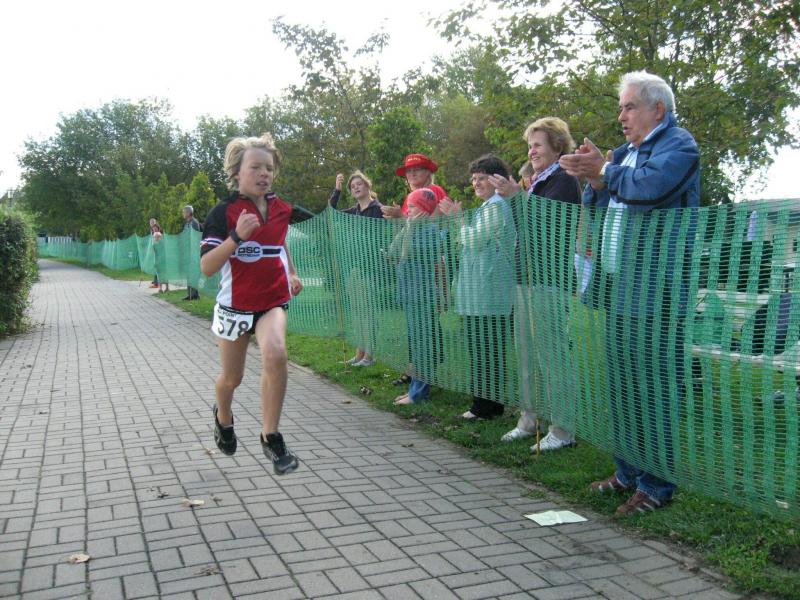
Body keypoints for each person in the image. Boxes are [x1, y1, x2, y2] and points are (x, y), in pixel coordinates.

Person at [559, 71, 700, 516]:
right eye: (620, 107)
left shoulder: (679, 146)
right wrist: (595, 180)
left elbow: (651, 189)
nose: (621, 116)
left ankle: (656, 486)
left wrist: (605, 172)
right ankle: (627, 472)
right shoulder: (624, 154)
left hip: (658, 291)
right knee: (622, 386)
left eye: (629, 106)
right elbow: (600, 203)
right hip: (620, 286)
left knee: (653, 389)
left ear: (657, 109)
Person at [200, 133, 303, 475]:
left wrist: (291, 271)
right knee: (232, 378)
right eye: (255, 167)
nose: (264, 174)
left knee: (276, 353)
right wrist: (236, 237)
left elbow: (280, 241)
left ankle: (271, 436)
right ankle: (223, 417)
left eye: (269, 168)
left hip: (271, 300)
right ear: (237, 172)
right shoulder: (223, 213)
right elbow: (207, 266)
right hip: (234, 305)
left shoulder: (281, 209)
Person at [491, 117, 582, 451]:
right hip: (526, 278)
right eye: (530, 146)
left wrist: (518, 197)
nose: (532, 151)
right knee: (527, 353)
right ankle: (529, 420)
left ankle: (562, 429)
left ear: (557, 145)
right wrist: (517, 197)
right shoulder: (537, 183)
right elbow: (524, 225)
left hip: (549, 280)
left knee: (552, 356)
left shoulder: (563, 180)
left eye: (538, 145)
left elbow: (548, 223)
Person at [439, 155, 516, 420]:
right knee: (482, 349)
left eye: (482, 178)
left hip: (490, 295)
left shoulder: (496, 208)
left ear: (496, 180)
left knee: (487, 350)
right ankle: (486, 405)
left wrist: (458, 219)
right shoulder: (487, 207)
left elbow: (475, 240)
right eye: (473, 179)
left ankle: (485, 407)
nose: (476, 183)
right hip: (481, 294)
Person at [383, 153, 450, 386]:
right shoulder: (410, 197)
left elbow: (432, 224)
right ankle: (418, 370)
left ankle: (423, 372)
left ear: (428, 172)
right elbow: (409, 228)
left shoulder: (434, 192)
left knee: (425, 323)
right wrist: (400, 219)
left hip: (428, 266)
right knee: (417, 324)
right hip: (412, 269)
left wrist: (401, 218)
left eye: (416, 170)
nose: (411, 174)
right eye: (408, 171)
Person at [390, 188, 447, 405]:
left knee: (423, 346)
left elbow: (404, 255)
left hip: (422, 297)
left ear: (423, 209)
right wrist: (407, 228)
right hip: (410, 295)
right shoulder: (411, 228)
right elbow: (392, 253)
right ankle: (414, 389)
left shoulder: (431, 233)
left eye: (412, 207)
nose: (408, 211)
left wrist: (410, 230)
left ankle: (419, 393)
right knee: (417, 344)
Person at [329, 171, 384, 366]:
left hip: (370, 269)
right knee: (358, 312)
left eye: (359, 184)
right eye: (352, 187)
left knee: (368, 313)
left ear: (368, 186)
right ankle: (360, 352)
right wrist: (337, 189)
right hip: (353, 268)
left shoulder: (378, 209)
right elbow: (331, 212)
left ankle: (370, 355)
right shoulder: (354, 212)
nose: (356, 188)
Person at [182, 205, 201, 301]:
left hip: (193, 252)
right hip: (187, 251)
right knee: (188, 273)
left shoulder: (194, 223)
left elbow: (196, 238)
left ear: (189, 213)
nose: (183, 214)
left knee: (193, 273)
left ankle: (194, 295)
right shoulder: (187, 224)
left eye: (184, 212)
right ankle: (190, 294)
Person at [148, 218, 163, 289]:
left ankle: (157, 283)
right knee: (156, 267)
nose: (152, 224)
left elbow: (158, 243)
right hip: (155, 252)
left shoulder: (158, 233)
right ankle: (156, 282)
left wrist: (154, 247)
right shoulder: (153, 232)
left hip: (159, 253)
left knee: (158, 268)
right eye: (151, 223)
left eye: (153, 223)